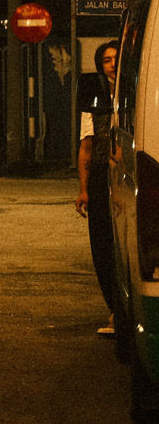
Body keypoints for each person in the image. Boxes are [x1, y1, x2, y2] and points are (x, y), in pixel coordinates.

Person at [77, 41, 123, 338]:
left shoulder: (138, 93)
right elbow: (86, 147)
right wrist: (83, 189)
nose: (112, 64)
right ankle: (115, 310)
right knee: (103, 245)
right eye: (106, 60)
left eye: (117, 58)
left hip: (129, 176)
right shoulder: (94, 97)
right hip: (100, 178)